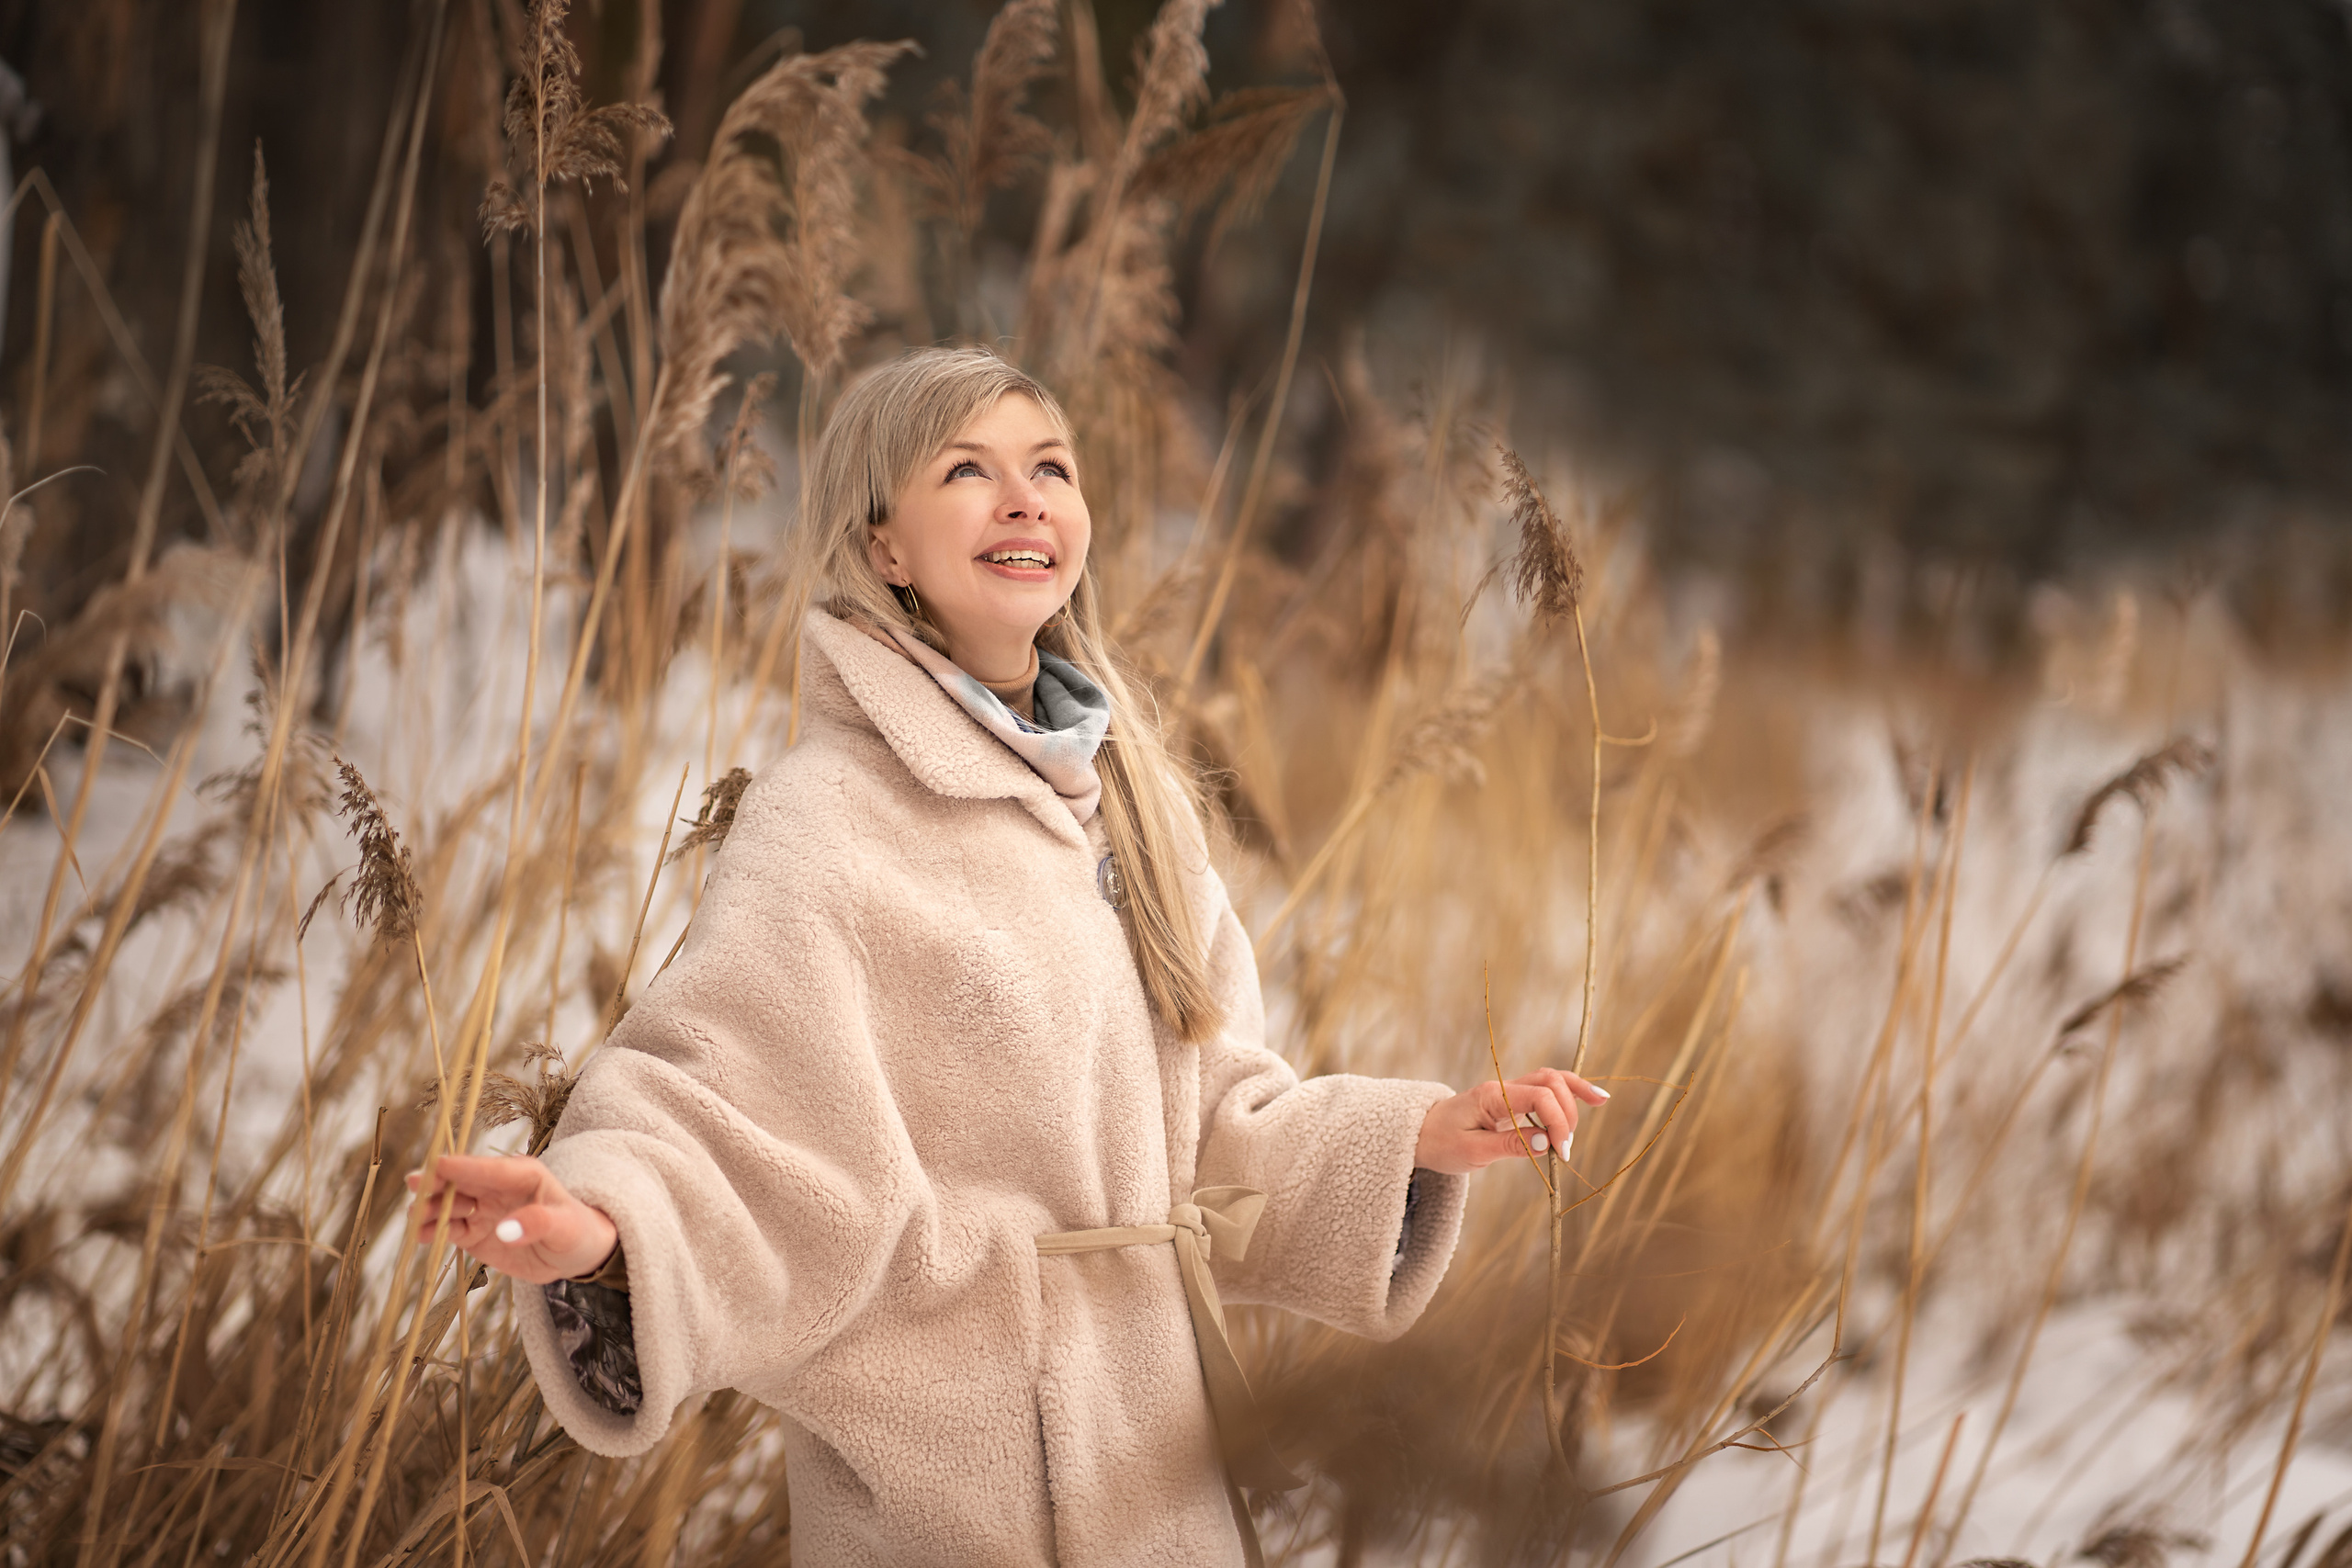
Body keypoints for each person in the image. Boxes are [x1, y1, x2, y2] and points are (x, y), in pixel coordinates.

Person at [407, 346, 1607, 1567]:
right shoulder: (829, 817)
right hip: (945, 1500)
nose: (1025, 497)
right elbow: (722, 1109)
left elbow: (1214, 1136)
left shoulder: (1129, 802)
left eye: (1050, 467)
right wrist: (604, 1232)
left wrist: (1412, 1142)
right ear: (885, 546)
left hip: (1159, 1490)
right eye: (968, 471)